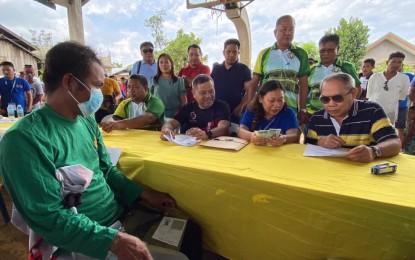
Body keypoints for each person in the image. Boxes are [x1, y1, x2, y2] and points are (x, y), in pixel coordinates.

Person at [0, 41, 201, 260]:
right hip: (83, 237)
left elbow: (106, 170)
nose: (100, 93)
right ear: (69, 82)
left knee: (190, 231)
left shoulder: (86, 122)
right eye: (96, 86)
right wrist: (111, 240)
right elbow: (50, 217)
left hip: (119, 217)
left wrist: (142, 194)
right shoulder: (23, 140)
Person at [305, 73, 401, 163]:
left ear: (354, 93)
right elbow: (306, 148)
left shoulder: (371, 111)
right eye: (325, 99)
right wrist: (320, 143)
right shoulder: (317, 118)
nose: (331, 104)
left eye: (337, 98)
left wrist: (374, 151)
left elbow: (394, 142)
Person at [247, 15, 310, 125]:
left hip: (290, 108)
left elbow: (304, 84)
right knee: (265, 137)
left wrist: (303, 109)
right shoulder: (264, 54)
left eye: (291, 30)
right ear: (275, 32)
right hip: (266, 108)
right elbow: (255, 81)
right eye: (284, 29)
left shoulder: (301, 54)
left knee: (289, 137)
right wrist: (250, 104)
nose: (288, 33)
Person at [160, 74, 230, 141]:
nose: (208, 96)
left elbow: (223, 127)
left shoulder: (222, 106)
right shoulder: (188, 108)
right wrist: (166, 130)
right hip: (191, 147)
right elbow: (170, 124)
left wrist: (206, 134)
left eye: (211, 91)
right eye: (203, 93)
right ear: (194, 94)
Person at [307, 34, 361, 116]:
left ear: (337, 49)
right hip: (314, 114)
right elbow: (305, 91)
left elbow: (357, 88)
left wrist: (349, 109)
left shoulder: (347, 67)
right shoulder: (312, 70)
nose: (326, 53)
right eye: (322, 51)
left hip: (340, 115)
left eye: (330, 50)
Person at [238, 80, 300, 146]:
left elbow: (294, 135)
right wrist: (251, 136)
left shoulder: (288, 113)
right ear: (260, 99)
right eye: (272, 101)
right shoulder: (251, 111)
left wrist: (284, 138)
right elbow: (241, 131)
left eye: (280, 100)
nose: (277, 105)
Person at [100, 74, 165, 132]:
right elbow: (115, 119)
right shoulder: (125, 103)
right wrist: (109, 123)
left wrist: (119, 124)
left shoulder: (155, 101)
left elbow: (148, 118)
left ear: (145, 88)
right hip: (131, 138)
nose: (131, 90)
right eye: (129, 87)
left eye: (135, 87)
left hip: (151, 138)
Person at [211, 38, 252, 124]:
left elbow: (249, 91)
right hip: (216, 112)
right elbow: (210, 88)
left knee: (234, 136)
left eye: (234, 52)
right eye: (228, 51)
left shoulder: (244, 69)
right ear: (223, 52)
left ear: (238, 53)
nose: (231, 54)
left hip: (235, 112)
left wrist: (241, 106)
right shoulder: (216, 69)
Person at [367, 51, 410, 125]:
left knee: (386, 135)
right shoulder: (375, 77)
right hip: (373, 112)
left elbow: (401, 97)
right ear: (387, 62)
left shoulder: (404, 78)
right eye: (393, 61)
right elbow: (369, 95)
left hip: (390, 115)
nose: (396, 64)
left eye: (399, 62)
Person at [149, 53, 187, 118]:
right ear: (158, 65)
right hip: (157, 114)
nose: (164, 65)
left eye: (166, 62)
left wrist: (181, 113)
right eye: (161, 62)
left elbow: (183, 100)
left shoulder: (179, 80)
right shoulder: (153, 80)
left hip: (175, 115)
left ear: (171, 64)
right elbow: (149, 98)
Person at [396, 64, 413, 141]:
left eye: (399, 64)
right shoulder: (387, 77)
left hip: (402, 106)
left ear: (402, 66)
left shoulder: (408, 76)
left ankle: (400, 144)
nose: (397, 66)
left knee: (401, 127)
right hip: (388, 106)